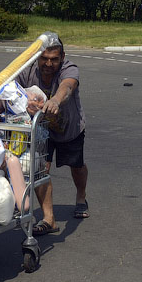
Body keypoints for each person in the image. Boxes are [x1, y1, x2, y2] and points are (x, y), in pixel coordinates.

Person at [20, 35, 88, 236]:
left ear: (62, 58)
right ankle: (49, 219)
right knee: (40, 169)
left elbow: (67, 86)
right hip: (41, 129)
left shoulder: (69, 68)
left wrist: (56, 101)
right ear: (37, 57)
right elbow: (9, 87)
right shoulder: (28, 70)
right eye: (44, 58)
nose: (48, 63)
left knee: (76, 166)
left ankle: (81, 196)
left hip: (70, 127)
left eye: (54, 59)